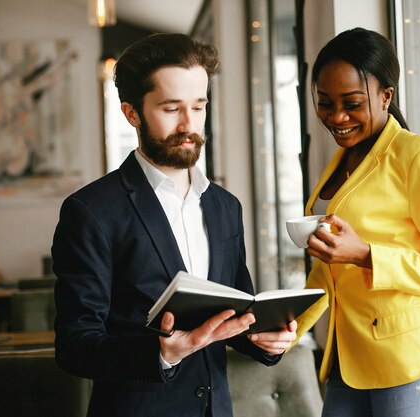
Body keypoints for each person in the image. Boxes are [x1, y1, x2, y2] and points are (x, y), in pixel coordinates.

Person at [52, 33, 296, 417]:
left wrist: (266, 340)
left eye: (199, 107)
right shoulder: (90, 211)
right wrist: (162, 353)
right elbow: (75, 346)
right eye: (171, 109)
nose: (189, 124)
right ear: (131, 113)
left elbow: (236, 316)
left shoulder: (225, 206)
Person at [292, 27, 420, 416]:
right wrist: (286, 326)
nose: (337, 117)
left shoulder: (418, 158)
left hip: (413, 362)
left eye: (352, 103)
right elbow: (330, 271)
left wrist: (366, 255)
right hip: (350, 359)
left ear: (386, 96)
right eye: (325, 103)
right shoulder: (341, 162)